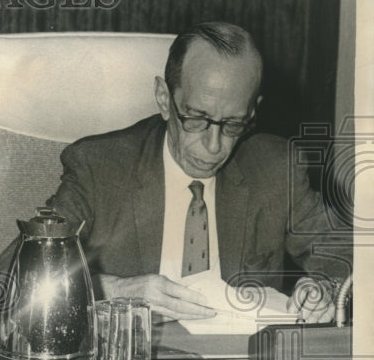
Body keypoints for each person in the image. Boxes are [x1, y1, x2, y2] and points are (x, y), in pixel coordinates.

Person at [47, 21, 350, 322]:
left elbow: (351, 257)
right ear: (165, 99)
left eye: (233, 124)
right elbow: (22, 270)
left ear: (253, 112)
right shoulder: (99, 167)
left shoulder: (275, 168)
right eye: (195, 118)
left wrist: (325, 289)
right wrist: (110, 290)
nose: (214, 145)